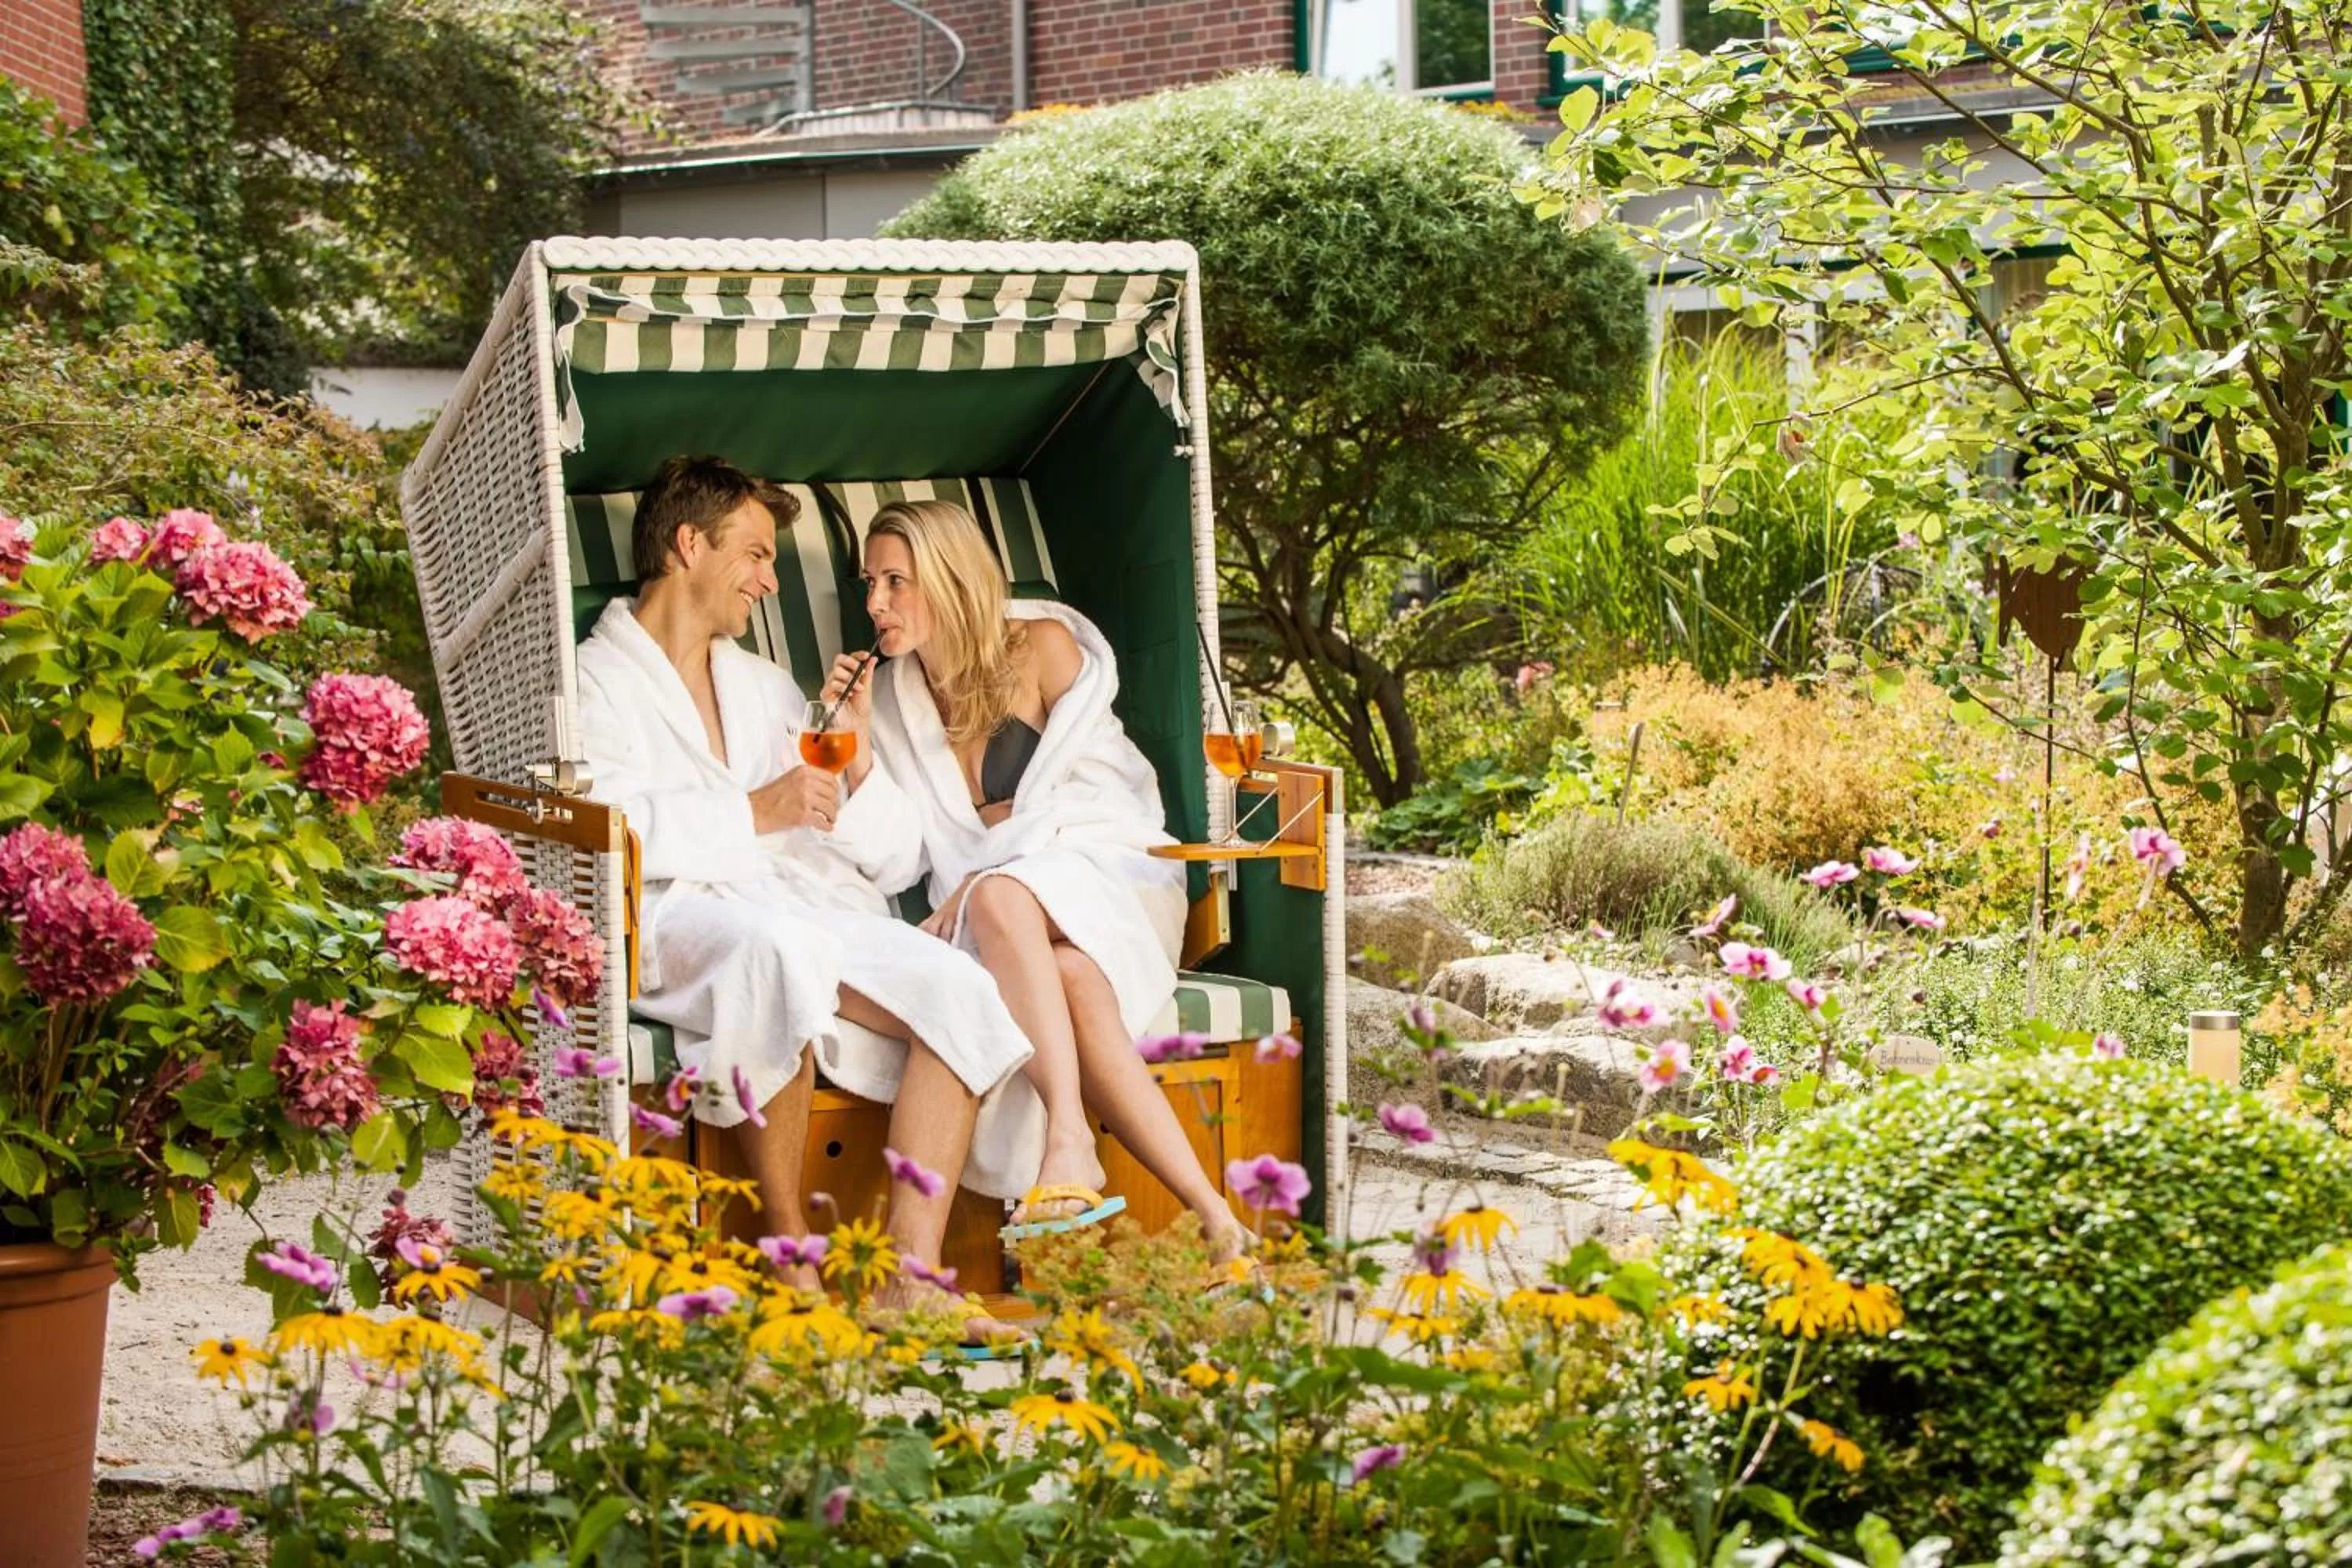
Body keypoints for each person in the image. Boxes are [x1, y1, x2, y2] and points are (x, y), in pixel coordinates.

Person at [575, 456, 1044, 1340]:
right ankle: (790, 1258)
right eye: (754, 554)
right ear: (687, 545)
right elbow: (605, 826)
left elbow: (894, 856)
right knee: (774, 953)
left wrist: (855, 756)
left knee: (957, 985)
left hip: (797, 902)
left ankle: (907, 1276)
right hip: (673, 913)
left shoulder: (759, 684)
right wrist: (755, 809)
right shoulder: (593, 680)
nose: (767, 579)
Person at [859, 499, 1250, 1263]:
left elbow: (1106, 795)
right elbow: (899, 855)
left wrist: (981, 879)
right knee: (1071, 978)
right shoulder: (888, 699)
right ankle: (1218, 1219)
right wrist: (854, 761)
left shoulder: (1040, 647)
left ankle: (1068, 1135)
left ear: (946, 575)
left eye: (895, 580)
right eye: (868, 581)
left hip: (1116, 870)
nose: (875, 602)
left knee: (1004, 896)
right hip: (1024, 924)